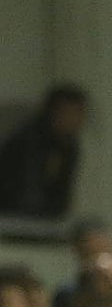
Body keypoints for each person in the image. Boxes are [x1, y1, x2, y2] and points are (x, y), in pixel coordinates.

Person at [0, 83, 88, 218]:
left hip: (44, 219)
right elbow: (25, 193)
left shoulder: (69, 147)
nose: (75, 120)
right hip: (14, 215)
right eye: (70, 113)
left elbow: (62, 193)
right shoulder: (26, 141)